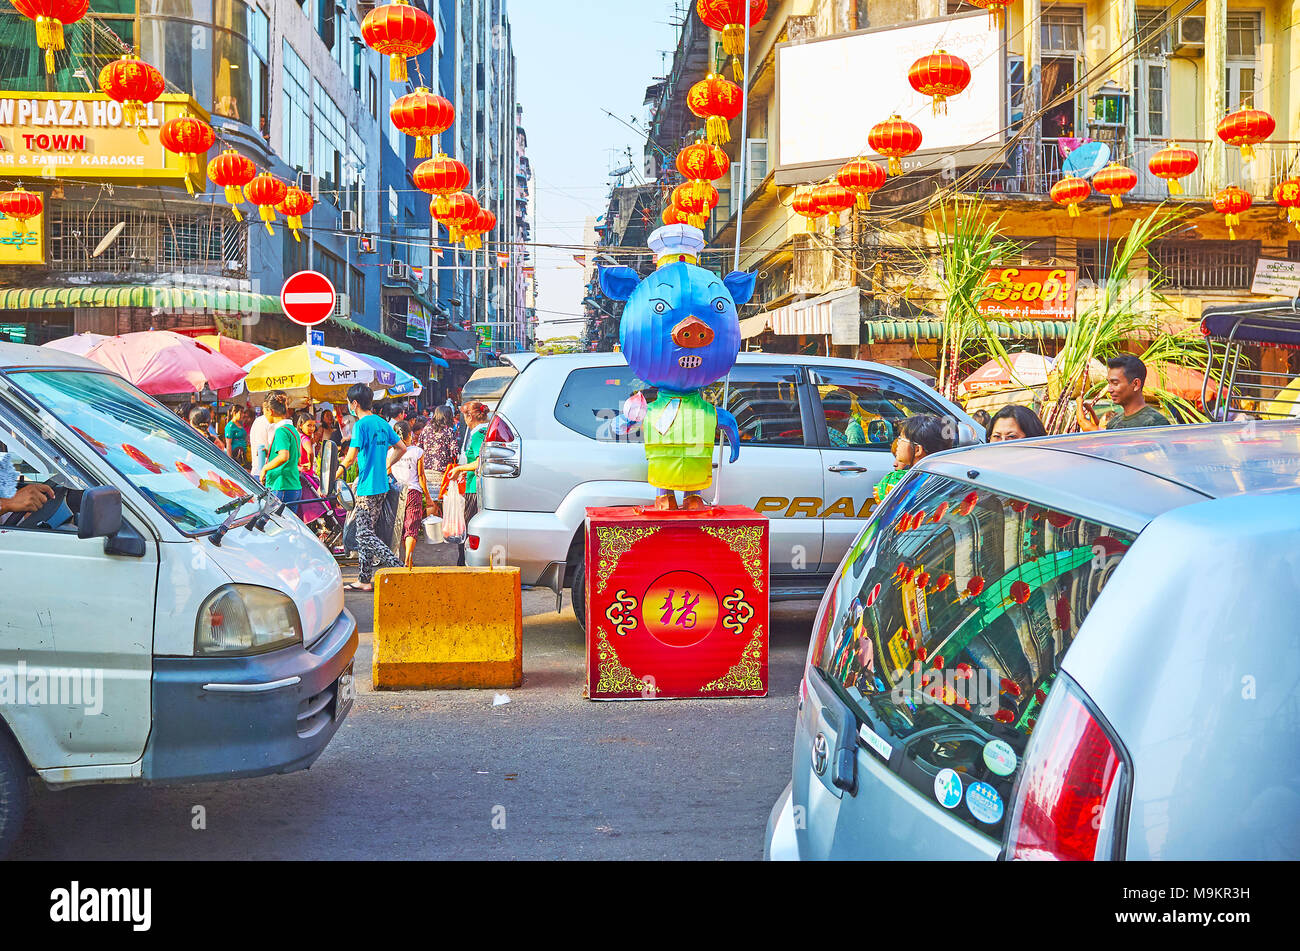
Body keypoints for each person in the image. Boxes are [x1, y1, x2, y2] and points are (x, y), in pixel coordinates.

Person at [335, 383, 403, 591]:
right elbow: (401, 447)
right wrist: (387, 465)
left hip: (367, 486)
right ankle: (364, 579)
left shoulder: (361, 425)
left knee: (363, 534)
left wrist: (333, 475)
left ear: (354, 403)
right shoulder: (382, 423)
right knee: (366, 532)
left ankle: (397, 566)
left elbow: (350, 458)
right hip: (381, 484)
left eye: (349, 402)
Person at [447, 401, 490, 567]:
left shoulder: (479, 433)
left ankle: (464, 563)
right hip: (476, 484)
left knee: (466, 528)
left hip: (474, 488)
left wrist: (460, 469)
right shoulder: (483, 431)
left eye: (464, 416)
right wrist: (466, 469)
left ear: (470, 416)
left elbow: (480, 461)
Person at [873, 414, 954, 502]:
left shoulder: (894, 483)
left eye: (901, 439)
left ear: (917, 450)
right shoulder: (948, 484)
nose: (897, 443)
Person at [1080, 354, 1170, 431]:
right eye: (1109, 383)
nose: (1109, 389)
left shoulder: (1155, 423)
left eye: (1115, 383)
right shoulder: (1113, 423)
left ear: (1135, 384)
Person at [389, 419, 424, 568]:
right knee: (411, 526)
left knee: (400, 526)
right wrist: (428, 498)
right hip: (413, 492)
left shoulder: (391, 452)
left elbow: (388, 471)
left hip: (397, 493)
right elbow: (421, 476)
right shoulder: (417, 451)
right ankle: (409, 559)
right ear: (410, 435)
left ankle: (404, 559)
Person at [260, 394, 302, 511]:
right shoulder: (292, 429)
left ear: (270, 411)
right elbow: (297, 458)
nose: (264, 414)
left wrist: (265, 468)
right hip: (293, 486)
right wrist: (271, 452)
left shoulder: (281, 431)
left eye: (264, 411)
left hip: (281, 485)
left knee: (274, 525)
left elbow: (284, 456)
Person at [418, 405, 459, 520]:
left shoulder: (426, 429)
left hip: (427, 470)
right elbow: (454, 452)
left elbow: (419, 448)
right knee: (445, 500)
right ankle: (444, 529)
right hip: (443, 472)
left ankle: (432, 530)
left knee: (431, 501)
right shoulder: (449, 431)